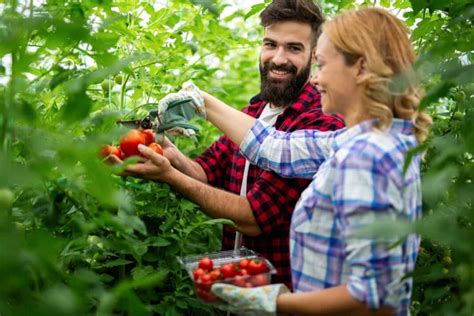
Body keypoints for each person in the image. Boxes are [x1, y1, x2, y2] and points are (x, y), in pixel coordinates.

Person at [136, 7, 432, 315]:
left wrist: (273, 301)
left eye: (322, 64)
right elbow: (276, 148)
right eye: (270, 44)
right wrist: (200, 104)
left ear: (359, 68)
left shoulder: (366, 157)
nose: (316, 79)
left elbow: (375, 296)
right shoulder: (360, 141)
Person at [117, 0, 344, 288]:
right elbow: (204, 172)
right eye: (270, 44)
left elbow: (252, 217)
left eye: (294, 48)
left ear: (314, 55)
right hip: (238, 290)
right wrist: (164, 149)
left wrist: (169, 176)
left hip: (287, 297)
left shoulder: (320, 123)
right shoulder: (253, 113)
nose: (278, 58)